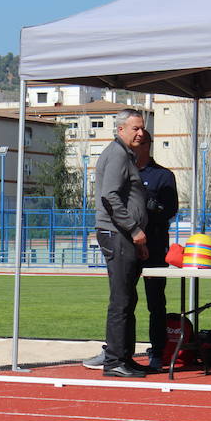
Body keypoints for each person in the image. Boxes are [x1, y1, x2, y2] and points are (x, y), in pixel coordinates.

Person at [90, 108, 150, 378]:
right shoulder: (116, 155)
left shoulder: (125, 155)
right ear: (120, 129)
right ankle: (114, 360)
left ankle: (124, 356)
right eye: (135, 128)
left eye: (142, 128)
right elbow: (110, 196)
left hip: (124, 235)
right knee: (121, 300)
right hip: (117, 234)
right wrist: (134, 229)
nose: (141, 133)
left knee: (129, 298)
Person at [135, 130, 179, 370]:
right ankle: (119, 351)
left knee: (155, 302)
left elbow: (171, 210)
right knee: (123, 301)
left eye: (141, 142)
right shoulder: (124, 173)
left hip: (153, 246)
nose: (136, 146)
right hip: (128, 246)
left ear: (148, 146)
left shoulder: (163, 176)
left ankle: (158, 351)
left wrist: (152, 208)